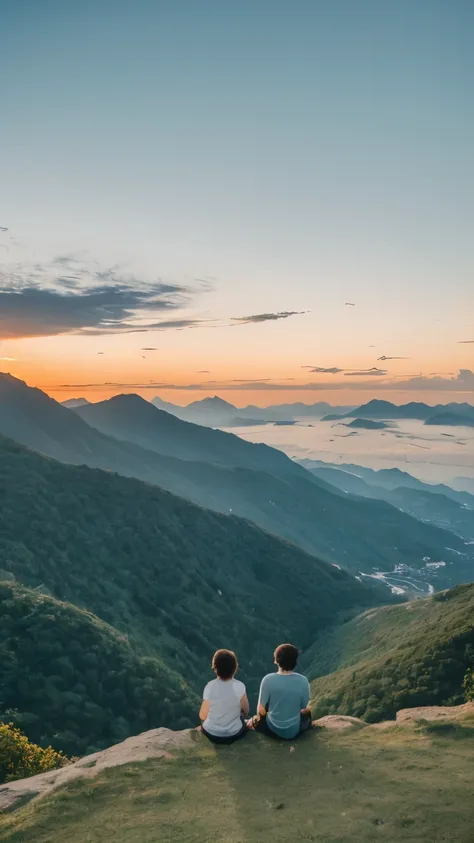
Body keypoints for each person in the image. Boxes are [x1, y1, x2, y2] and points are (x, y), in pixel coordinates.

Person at [251, 643, 312, 740]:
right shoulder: (303, 680)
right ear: (295, 661)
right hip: (293, 731)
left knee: (255, 720)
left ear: (276, 660)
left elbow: (261, 711)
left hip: (272, 730)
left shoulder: (267, 680)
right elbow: (304, 708)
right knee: (307, 713)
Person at [199, 649, 249, 744]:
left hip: (211, 733)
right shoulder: (240, 686)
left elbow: (202, 715)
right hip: (233, 734)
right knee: (244, 720)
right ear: (235, 668)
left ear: (214, 668)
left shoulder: (210, 686)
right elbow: (246, 711)